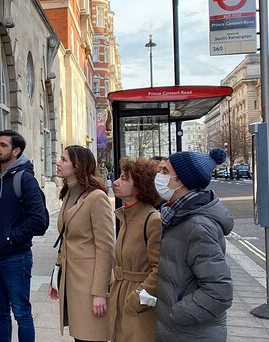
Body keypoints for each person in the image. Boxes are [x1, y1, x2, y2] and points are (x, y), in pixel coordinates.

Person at [0, 130, 49, 342]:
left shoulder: (25, 179)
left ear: (16, 151)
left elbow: (39, 220)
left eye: (3, 145)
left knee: (21, 313)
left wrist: (10, 238)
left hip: (15, 258)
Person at [154, 148, 233, 341]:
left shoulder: (198, 226)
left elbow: (219, 292)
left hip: (191, 333)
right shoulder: (176, 216)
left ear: (180, 181)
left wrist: (176, 313)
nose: (159, 176)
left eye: (165, 171)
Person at [49, 145, 114, 342]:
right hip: (71, 280)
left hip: (90, 283)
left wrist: (100, 292)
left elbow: (106, 247)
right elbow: (66, 239)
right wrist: (56, 276)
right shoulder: (69, 193)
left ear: (77, 166)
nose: (58, 163)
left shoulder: (97, 197)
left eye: (64, 159)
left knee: (91, 336)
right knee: (80, 336)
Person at [109, 158, 162, 342]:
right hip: (120, 298)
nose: (115, 182)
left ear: (139, 186)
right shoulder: (127, 216)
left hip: (138, 306)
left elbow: (160, 269)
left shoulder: (152, 220)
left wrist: (138, 298)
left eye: (124, 179)